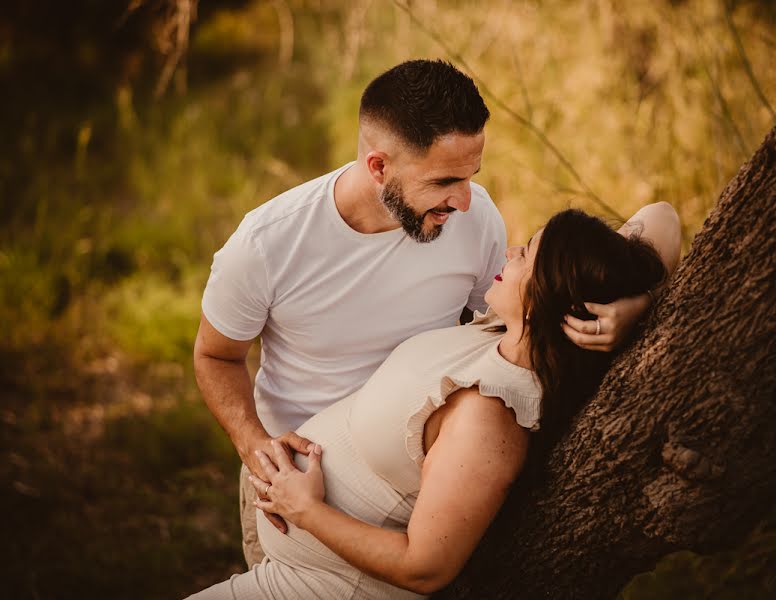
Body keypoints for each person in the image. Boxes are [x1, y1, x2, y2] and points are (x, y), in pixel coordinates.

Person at [193, 59, 653, 568]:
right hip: (296, 490)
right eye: (443, 181)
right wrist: (257, 447)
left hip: (422, 491)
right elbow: (216, 356)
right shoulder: (266, 244)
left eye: (471, 176)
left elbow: (512, 324)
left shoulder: (475, 219)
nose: (463, 199)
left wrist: (637, 308)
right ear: (378, 167)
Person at [186, 204, 682, 599]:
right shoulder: (503, 334)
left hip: (328, 587)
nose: (509, 253)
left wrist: (307, 510)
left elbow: (425, 568)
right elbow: (661, 215)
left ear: (551, 299)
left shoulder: (488, 418)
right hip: (297, 560)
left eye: (526, 256)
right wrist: (638, 307)